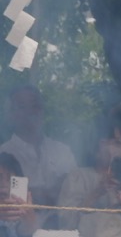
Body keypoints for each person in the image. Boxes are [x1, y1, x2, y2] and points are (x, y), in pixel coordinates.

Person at [0, 85, 78, 216]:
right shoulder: (4, 154)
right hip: (22, 230)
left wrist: (30, 191)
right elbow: (8, 198)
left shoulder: (63, 151)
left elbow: (75, 192)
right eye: (22, 107)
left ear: (42, 111)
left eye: (35, 106)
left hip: (67, 226)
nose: (30, 112)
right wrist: (57, 191)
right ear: (10, 114)